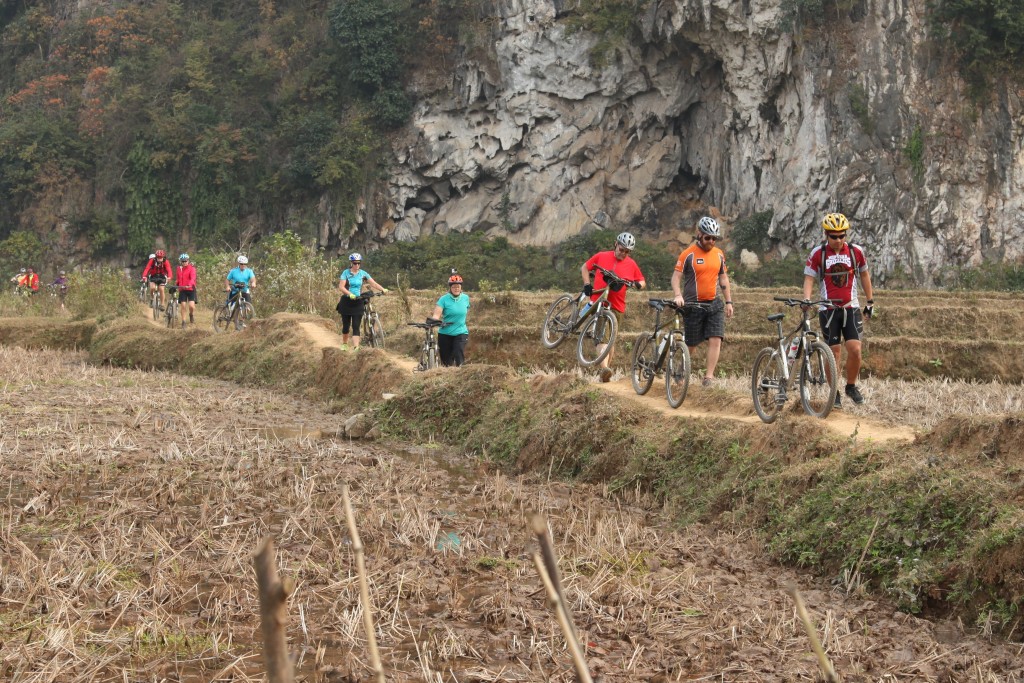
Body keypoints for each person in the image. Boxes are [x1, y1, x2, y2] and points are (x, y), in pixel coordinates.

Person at [802, 212, 875, 408]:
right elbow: (809, 278)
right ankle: (834, 390)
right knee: (833, 351)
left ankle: (851, 386)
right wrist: (807, 299)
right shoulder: (818, 253)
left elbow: (865, 276)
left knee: (855, 349)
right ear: (826, 234)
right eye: (834, 236)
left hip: (850, 306)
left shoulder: (855, 252)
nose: (838, 240)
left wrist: (870, 302)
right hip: (828, 308)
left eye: (842, 235)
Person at [671, 216, 734, 387]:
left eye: (714, 238)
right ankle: (681, 370)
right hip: (692, 305)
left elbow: (723, 278)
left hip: (714, 303)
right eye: (708, 237)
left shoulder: (719, 255)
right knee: (691, 343)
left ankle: (709, 378)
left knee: (716, 338)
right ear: (699, 234)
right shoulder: (688, 254)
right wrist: (678, 295)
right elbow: (676, 278)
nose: (711, 241)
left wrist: (729, 302)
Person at [581, 231, 646, 382]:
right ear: (616, 244)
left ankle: (606, 371)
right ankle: (604, 368)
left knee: (611, 341)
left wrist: (638, 284)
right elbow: (585, 267)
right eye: (621, 249)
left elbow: (642, 281)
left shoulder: (631, 264)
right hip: (600, 302)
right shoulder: (602, 256)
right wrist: (586, 284)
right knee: (601, 338)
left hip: (617, 306)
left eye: (627, 252)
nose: (623, 253)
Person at [336, 252, 388, 350]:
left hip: (358, 301)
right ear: (351, 263)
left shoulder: (363, 273)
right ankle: (344, 344)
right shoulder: (346, 273)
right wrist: (349, 294)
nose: (357, 265)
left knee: (356, 325)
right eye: (355, 263)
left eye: (359, 263)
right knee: (346, 325)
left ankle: (356, 347)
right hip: (347, 302)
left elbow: (374, 283)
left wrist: (382, 289)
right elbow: (341, 286)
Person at [431, 270, 470, 366]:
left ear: (461, 287)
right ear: (450, 288)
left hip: (461, 332)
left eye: (458, 286)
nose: (456, 288)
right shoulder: (443, 299)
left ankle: (461, 375)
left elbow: (465, 311)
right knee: (446, 362)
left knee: (458, 353)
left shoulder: (465, 298)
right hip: (445, 333)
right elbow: (437, 314)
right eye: (454, 287)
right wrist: (434, 321)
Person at [175, 254, 197, 328]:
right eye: (183, 261)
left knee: (191, 306)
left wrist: (189, 284)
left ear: (188, 261)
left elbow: (193, 278)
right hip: (182, 289)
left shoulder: (192, 268)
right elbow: (178, 279)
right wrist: (176, 285)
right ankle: (183, 322)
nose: (184, 262)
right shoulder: (179, 269)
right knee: (183, 305)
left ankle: (191, 314)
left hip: (190, 289)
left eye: (185, 261)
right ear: (181, 262)